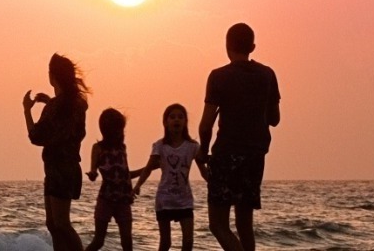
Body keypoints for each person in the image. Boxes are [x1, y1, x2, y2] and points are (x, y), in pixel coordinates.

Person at [199, 23, 282, 251]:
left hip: (226, 154)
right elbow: (274, 119)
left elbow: (206, 125)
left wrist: (203, 152)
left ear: (227, 46)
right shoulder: (268, 75)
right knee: (244, 224)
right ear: (252, 47)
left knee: (218, 225)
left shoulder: (218, 77)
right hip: (255, 157)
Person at [23, 53, 90, 251]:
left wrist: (27, 110)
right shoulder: (75, 103)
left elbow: (36, 136)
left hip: (60, 169)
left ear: (53, 76)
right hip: (64, 169)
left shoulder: (57, 106)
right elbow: (65, 122)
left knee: (61, 224)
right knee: (53, 224)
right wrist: (50, 101)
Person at [131, 104, 206, 251]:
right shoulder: (160, 146)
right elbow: (148, 168)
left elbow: (204, 171)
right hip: (164, 199)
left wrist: (216, 184)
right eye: (172, 117)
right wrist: (137, 186)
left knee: (188, 241)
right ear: (165, 122)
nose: (176, 120)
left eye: (180, 117)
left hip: (184, 199)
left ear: (185, 122)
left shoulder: (193, 146)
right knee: (166, 243)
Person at [84, 108, 135, 251]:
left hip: (123, 199)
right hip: (106, 198)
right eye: (118, 129)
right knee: (98, 241)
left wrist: (149, 168)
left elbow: (126, 174)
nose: (120, 133)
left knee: (127, 242)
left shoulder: (122, 148)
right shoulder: (98, 148)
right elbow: (94, 172)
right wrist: (93, 173)